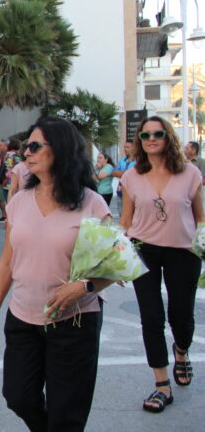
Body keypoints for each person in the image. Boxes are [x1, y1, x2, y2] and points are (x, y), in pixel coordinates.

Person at [0, 117, 113, 431]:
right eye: (27, 146)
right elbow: (6, 262)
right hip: (23, 318)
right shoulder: (19, 203)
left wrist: (84, 286)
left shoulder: (91, 204)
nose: (27, 152)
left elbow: (115, 266)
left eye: (36, 146)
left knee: (67, 414)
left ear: (61, 150)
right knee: (19, 397)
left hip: (74, 321)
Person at [119, 115, 204, 413]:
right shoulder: (131, 177)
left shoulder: (190, 173)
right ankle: (161, 385)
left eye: (157, 133)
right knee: (151, 318)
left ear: (168, 137)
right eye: (145, 135)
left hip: (184, 251)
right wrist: (116, 258)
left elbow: (200, 216)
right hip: (144, 250)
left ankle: (181, 351)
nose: (151, 139)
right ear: (139, 142)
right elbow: (126, 221)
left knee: (181, 316)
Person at [0, 138, 22, 223]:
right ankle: (16, 219)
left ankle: (9, 219)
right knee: (17, 202)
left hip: (6, 181)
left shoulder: (5, 155)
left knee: (8, 201)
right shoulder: (19, 155)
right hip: (16, 182)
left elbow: (0, 167)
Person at [113, 141, 136, 216]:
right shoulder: (122, 160)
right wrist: (127, 173)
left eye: (128, 147)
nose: (125, 149)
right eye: (124, 147)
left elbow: (136, 174)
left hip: (133, 193)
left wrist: (122, 173)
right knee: (121, 215)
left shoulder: (138, 161)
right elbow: (114, 172)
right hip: (120, 192)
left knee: (132, 216)